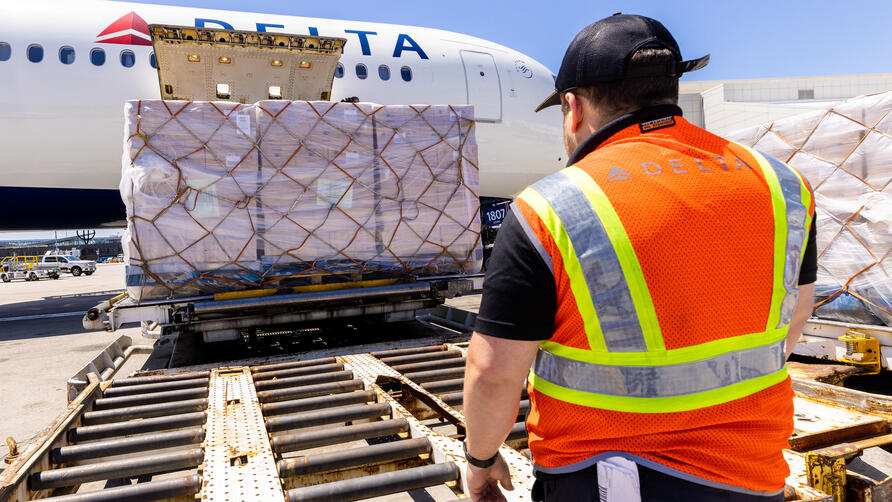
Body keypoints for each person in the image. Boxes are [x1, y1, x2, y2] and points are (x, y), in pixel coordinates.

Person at [461, 13, 817, 502]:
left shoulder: (550, 208)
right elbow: (793, 313)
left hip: (605, 477)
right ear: (671, 91)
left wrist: (480, 460)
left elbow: (494, 372)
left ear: (573, 108)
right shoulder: (782, 185)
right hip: (753, 473)